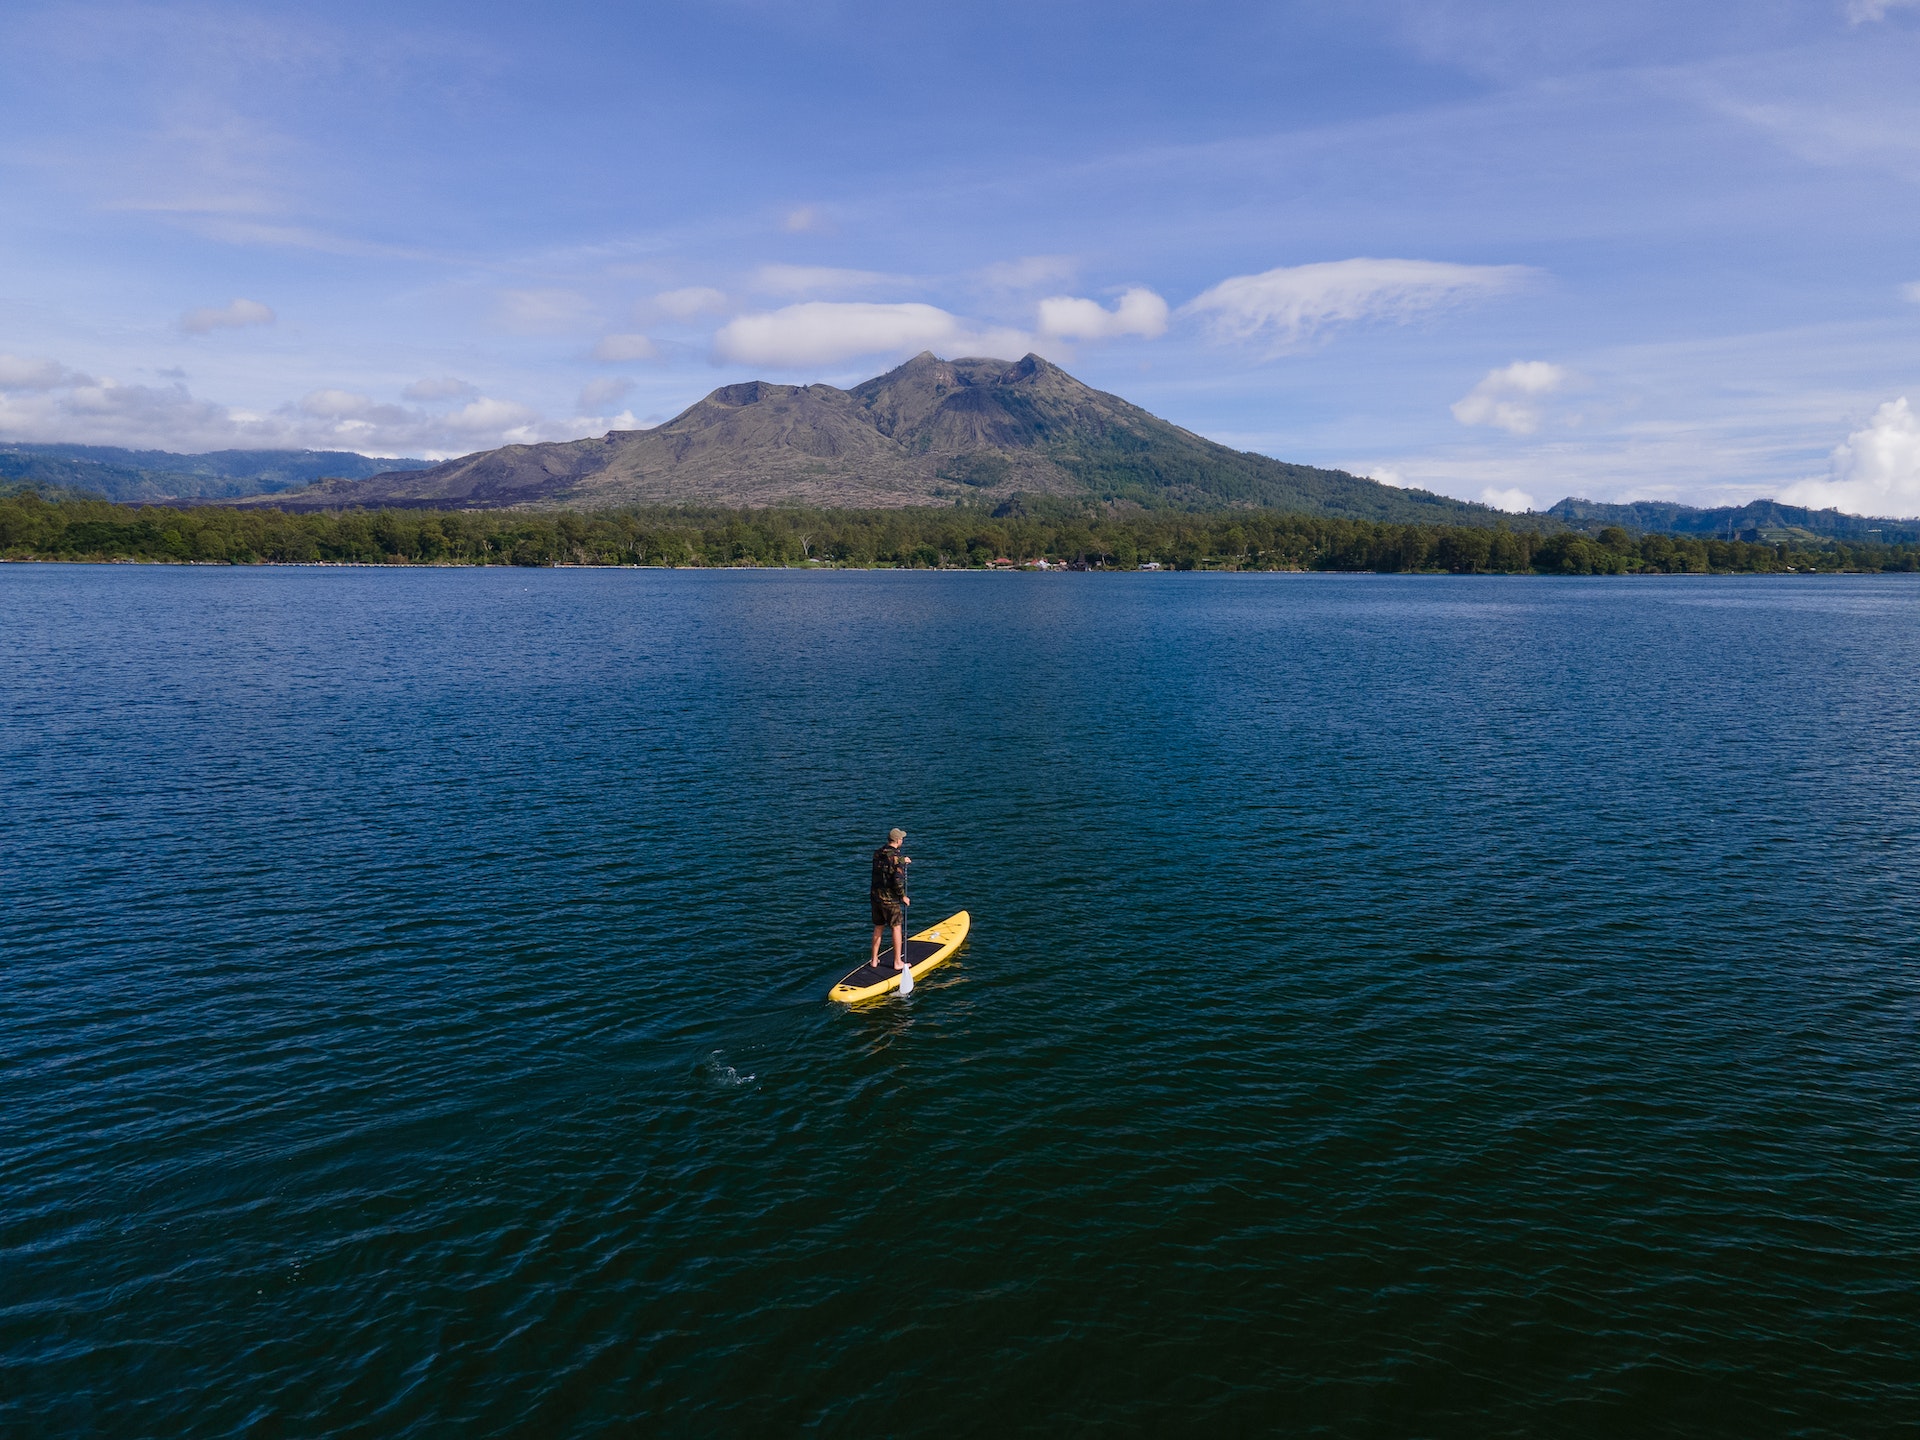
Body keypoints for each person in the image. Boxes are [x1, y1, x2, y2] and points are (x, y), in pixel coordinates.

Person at [869, 827, 912, 971]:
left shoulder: (877, 853)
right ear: (899, 840)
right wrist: (903, 897)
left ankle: (874, 960)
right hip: (890, 900)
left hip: (875, 897)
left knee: (878, 927)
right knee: (896, 928)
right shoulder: (896, 859)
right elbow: (897, 881)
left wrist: (901, 860)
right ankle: (897, 962)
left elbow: (887, 862)